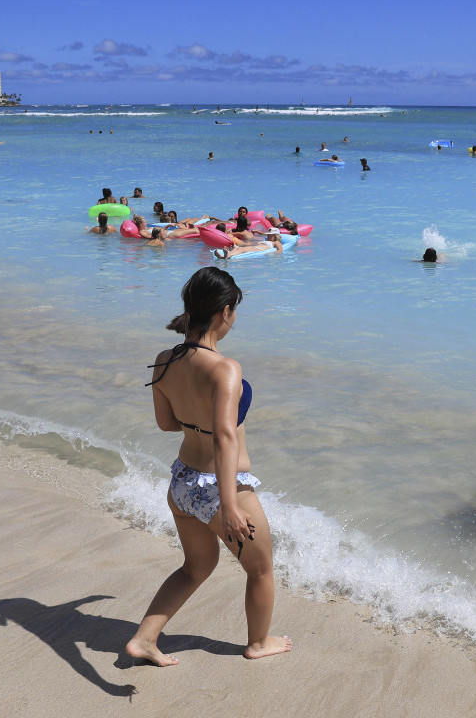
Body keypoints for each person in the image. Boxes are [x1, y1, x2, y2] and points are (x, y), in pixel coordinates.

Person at [125, 267, 291, 665]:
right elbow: (224, 437)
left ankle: (144, 639)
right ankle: (258, 643)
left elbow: (166, 423)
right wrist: (230, 506)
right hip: (221, 488)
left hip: (182, 482)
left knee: (195, 568)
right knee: (262, 569)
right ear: (225, 312)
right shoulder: (225, 368)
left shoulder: (165, 360)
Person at [215, 232, 284, 259]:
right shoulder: (266, 241)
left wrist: (270, 253)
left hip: (260, 249)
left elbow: (280, 250)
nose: (268, 235)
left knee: (241, 249)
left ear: (275, 235)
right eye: (268, 234)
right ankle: (225, 255)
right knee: (237, 249)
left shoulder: (276, 242)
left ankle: (226, 256)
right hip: (255, 247)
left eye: (270, 235)